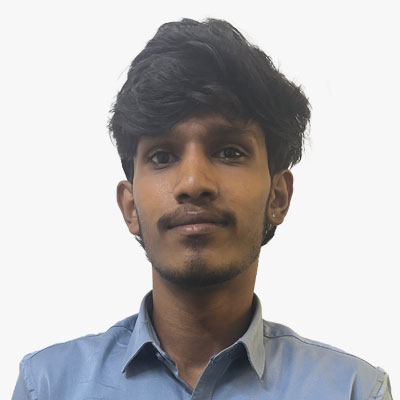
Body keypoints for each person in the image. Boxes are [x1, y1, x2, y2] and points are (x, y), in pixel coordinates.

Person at [12, 18, 392, 400]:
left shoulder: (353, 390)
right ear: (129, 207)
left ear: (277, 197)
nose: (193, 183)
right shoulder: (47, 386)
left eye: (229, 152)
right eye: (162, 156)